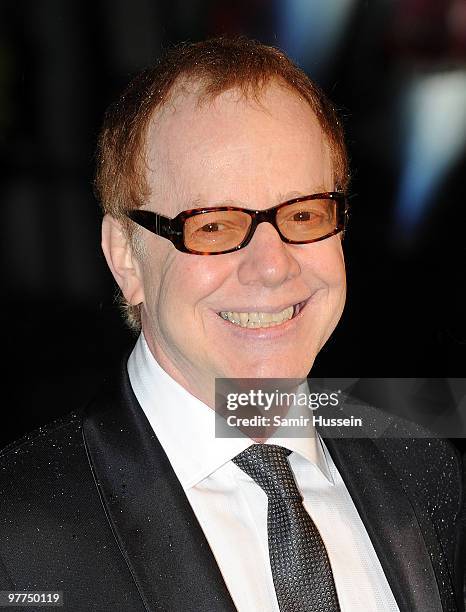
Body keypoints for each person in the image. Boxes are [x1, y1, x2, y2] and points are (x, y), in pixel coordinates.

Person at [0, 36, 463, 612]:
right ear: (126, 256)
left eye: (303, 214)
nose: (272, 266)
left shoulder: (424, 470)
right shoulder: (17, 532)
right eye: (213, 225)